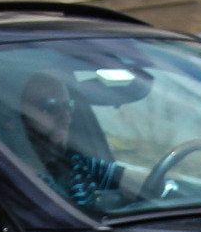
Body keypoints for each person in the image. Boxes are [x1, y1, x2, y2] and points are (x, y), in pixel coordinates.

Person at [20, 71, 135, 211]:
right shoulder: (10, 183)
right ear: (14, 116)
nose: (66, 119)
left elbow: (138, 182)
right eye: (50, 107)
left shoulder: (76, 164)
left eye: (68, 107)